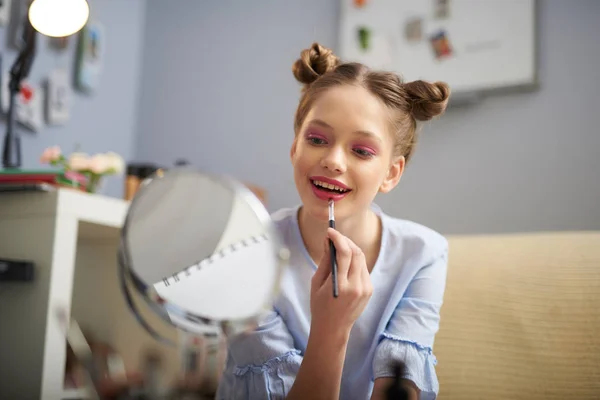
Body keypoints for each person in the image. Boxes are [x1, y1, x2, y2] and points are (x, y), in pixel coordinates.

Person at [216, 42, 450, 400]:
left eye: (361, 150)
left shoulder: (424, 254)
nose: (334, 161)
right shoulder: (245, 251)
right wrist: (331, 327)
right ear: (295, 148)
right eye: (317, 139)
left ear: (391, 173)